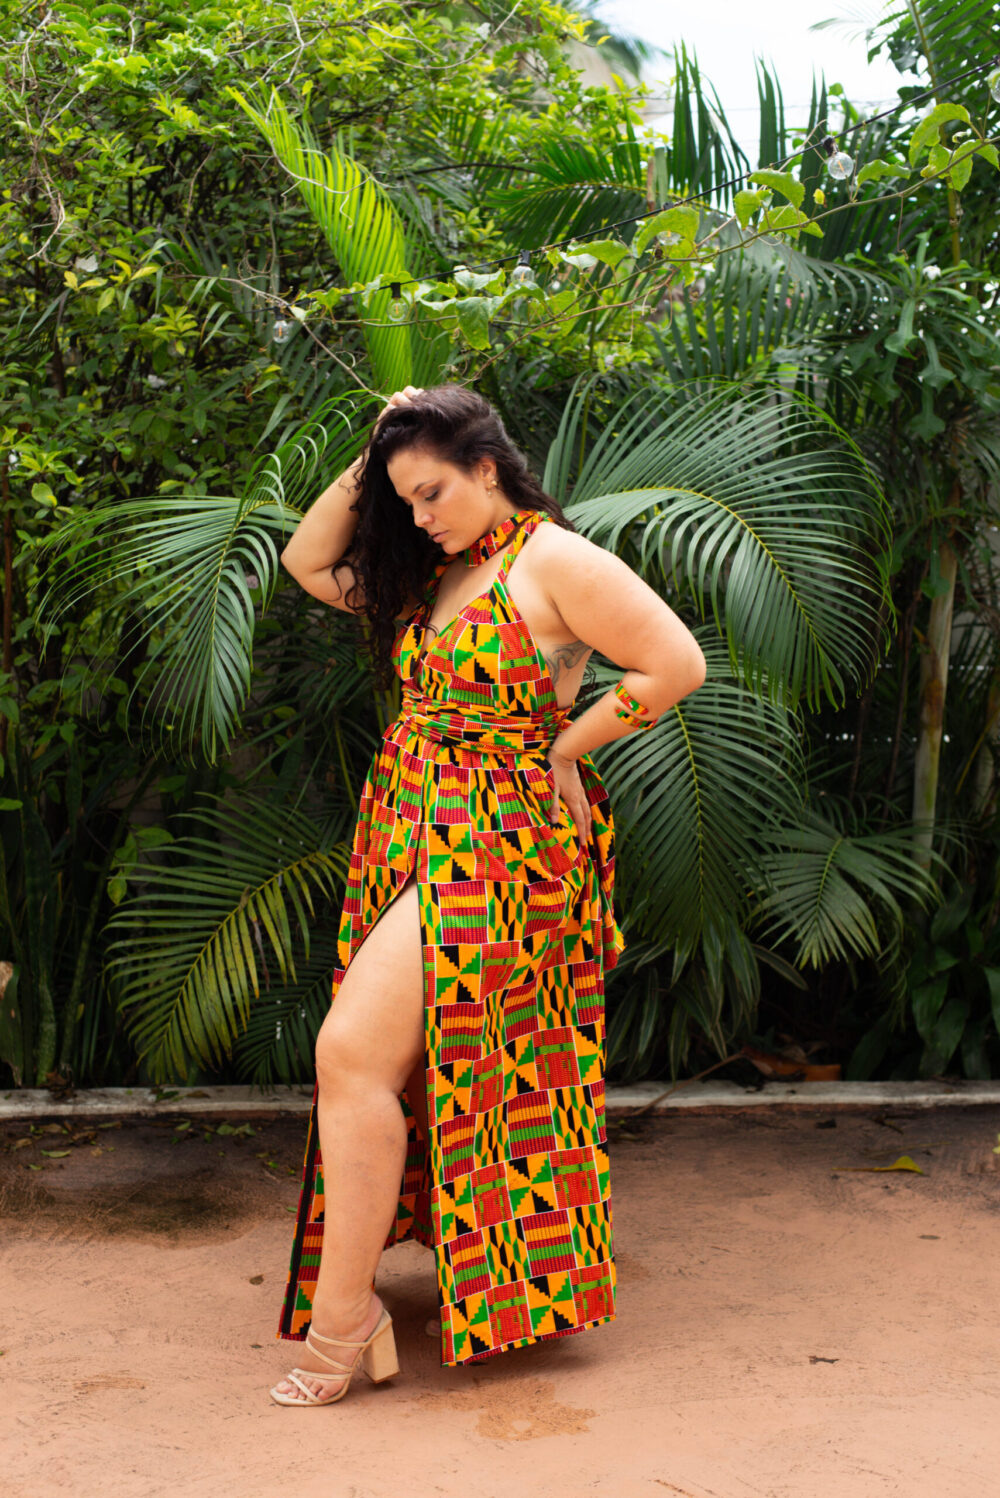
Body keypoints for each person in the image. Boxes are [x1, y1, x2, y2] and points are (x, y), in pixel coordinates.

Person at [270, 383, 706, 1406]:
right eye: (405, 501)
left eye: (432, 492)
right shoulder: (438, 571)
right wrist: (376, 447)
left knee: (350, 1054)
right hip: (414, 825)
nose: (419, 516)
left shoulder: (554, 561)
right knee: (407, 1067)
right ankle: (380, 1301)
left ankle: (345, 1320)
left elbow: (673, 663)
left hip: (502, 843)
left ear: (487, 466)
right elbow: (305, 562)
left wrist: (566, 746)